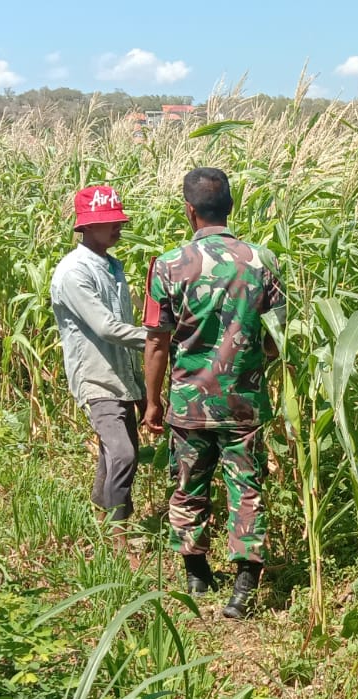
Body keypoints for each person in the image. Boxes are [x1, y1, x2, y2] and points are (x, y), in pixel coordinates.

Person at [142, 167, 285, 619]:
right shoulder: (263, 261)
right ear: (231, 208)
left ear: (189, 211)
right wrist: (252, 363)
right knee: (246, 488)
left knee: (188, 488)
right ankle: (243, 588)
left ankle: (197, 576)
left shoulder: (167, 264)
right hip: (243, 401)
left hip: (188, 402)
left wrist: (152, 402)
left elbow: (156, 342)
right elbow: (280, 334)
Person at [50, 184, 149, 564]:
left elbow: (122, 320)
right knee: (122, 454)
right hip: (97, 378)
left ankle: (101, 523)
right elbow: (107, 328)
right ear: (86, 229)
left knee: (116, 455)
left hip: (122, 375)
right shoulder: (74, 273)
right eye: (108, 224)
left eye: (117, 222)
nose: (117, 229)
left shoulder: (111, 266)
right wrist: (159, 340)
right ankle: (117, 538)